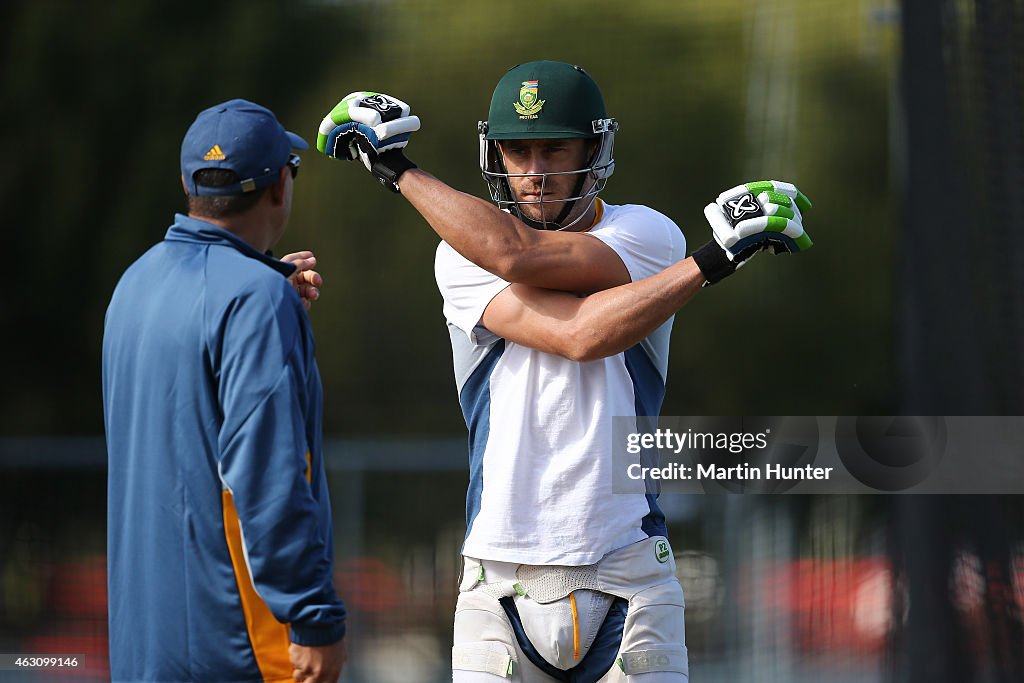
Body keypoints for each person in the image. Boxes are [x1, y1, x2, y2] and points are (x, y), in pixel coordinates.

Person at [317, 62, 811, 682]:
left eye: (554, 147)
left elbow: (576, 319)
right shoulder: (461, 252)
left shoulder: (648, 232)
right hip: (497, 580)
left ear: (595, 149)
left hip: (628, 571)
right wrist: (713, 260)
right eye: (516, 150)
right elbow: (568, 320)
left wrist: (394, 166)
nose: (534, 170)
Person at [103, 99, 347, 683]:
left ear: (189, 184)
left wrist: (260, 284)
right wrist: (311, 617)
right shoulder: (259, 301)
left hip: (143, 643)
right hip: (241, 643)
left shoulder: (134, 282)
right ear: (279, 186)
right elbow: (267, 473)